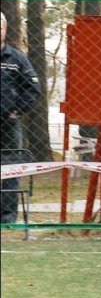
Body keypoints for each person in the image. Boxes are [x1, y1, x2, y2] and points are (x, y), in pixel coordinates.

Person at [1, 12, 42, 223]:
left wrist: (17, 109)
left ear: (5, 30)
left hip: (8, 125)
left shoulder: (16, 58)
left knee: (9, 171)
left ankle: (7, 218)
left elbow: (33, 87)